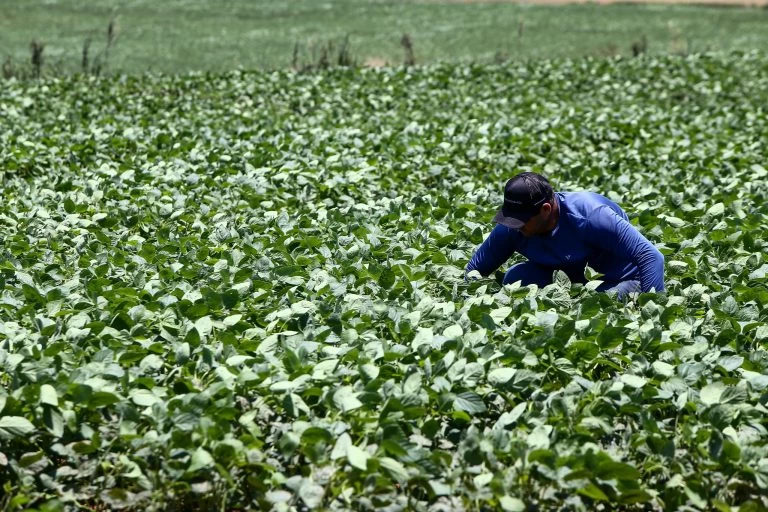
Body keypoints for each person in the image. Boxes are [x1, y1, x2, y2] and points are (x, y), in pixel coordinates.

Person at [465, 172, 665, 298]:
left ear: (545, 209)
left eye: (520, 221)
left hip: (615, 280)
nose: (514, 227)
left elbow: (651, 257)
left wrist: (652, 308)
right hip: (563, 282)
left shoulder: (591, 216)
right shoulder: (511, 227)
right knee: (515, 279)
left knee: (599, 303)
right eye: (510, 219)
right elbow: (474, 270)